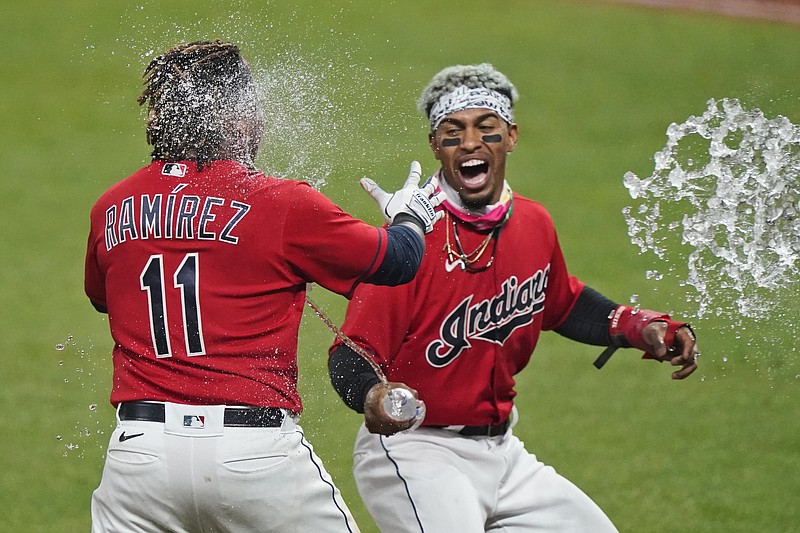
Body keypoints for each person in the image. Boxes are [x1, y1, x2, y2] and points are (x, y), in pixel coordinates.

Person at [84, 40, 445, 533]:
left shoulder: (112, 206)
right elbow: (399, 260)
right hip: (252, 459)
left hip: (138, 459)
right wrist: (410, 215)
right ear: (230, 117)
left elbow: (104, 297)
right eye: (250, 103)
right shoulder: (281, 203)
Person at [328, 63, 700, 532]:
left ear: (511, 137)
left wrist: (640, 327)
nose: (469, 143)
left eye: (487, 130)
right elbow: (350, 354)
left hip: (503, 454)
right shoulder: (410, 241)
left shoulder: (533, 222)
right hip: (416, 451)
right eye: (452, 132)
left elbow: (562, 302)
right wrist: (371, 395)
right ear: (435, 145)